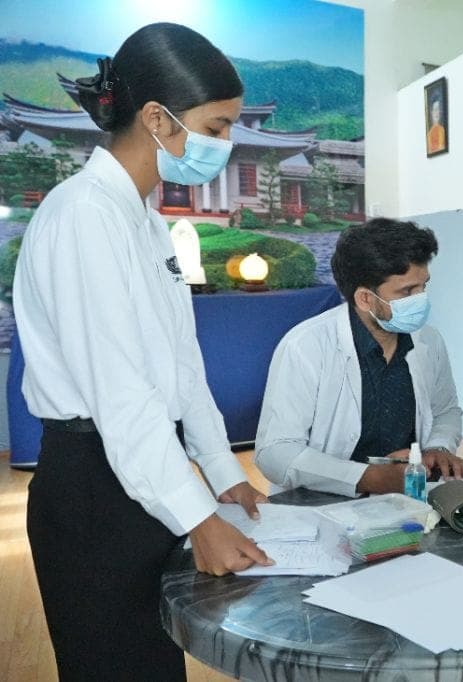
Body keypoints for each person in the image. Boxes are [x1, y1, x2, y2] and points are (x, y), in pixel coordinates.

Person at [13, 23, 273, 681]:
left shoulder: (144, 220)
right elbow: (121, 395)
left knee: (155, 662)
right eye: (216, 128)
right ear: (157, 118)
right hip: (93, 486)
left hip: (142, 473)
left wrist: (222, 469)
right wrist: (198, 518)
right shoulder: (81, 216)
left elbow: (183, 364)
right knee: (115, 665)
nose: (226, 144)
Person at [255, 218, 463, 496]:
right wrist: (366, 478)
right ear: (365, 299)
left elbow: (446, 410)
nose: (421, 300)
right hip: (321, 503)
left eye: (423, 287)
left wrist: (438, 447)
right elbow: (276, 452)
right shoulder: (305, 346)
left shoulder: (428, 341)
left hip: (407, 496)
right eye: (407, 291)